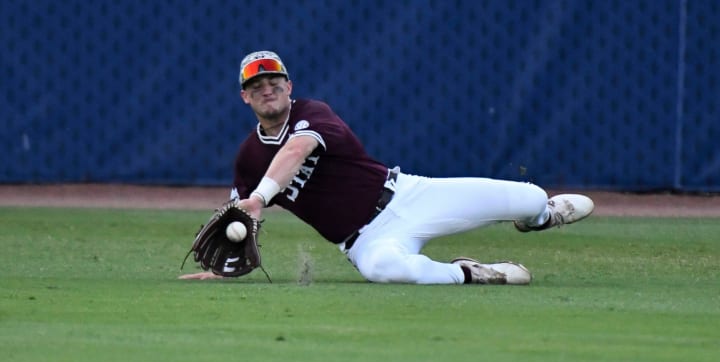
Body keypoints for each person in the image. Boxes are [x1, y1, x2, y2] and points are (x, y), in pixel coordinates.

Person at [179, 50, 594, 285]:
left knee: (530, 196)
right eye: (256, 86)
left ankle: (542, 216)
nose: (266, 89)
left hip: (409, 196)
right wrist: (220, 271)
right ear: (244, 98)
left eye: (273, 81)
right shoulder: (248, 157)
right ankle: (473, 273)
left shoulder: (312, 114)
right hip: (362, 241)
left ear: (289, 87)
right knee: (387, 271)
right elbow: (237, 221)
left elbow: (295, 152)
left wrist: (257, 198)